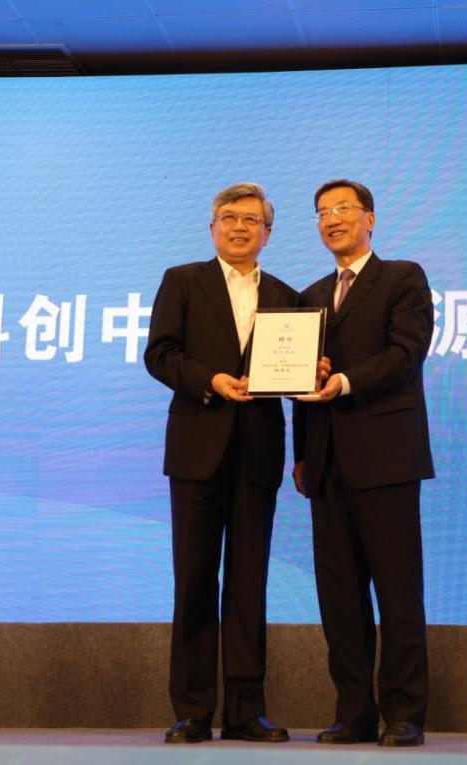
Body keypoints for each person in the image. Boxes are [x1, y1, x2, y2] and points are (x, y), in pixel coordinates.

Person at [144, 182, 296, 744]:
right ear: (212, 227)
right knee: (194, 581)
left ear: (267, 233)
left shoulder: (287, 296)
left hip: (258, 454)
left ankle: (246, 712)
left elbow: (292, 371)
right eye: (229, 217)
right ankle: (192, 711)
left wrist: (311, 370)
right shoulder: (183, 281)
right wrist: (209, 379)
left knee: (249, 585)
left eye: (251, 220)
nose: (239, 227)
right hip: (197, 450)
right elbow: (159, 354)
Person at [292, 179, 435, 747]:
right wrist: (301, 455)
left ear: (369, 218)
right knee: (340, 598)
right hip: (326, 465)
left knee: (397, 592)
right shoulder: (308, 296)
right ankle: (353, 712)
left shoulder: (403, 278)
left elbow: (406, 353)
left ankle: (404, 713)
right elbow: (300, 382)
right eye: (322, 212)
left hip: (387, 459)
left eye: (343, 208)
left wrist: (346, 381)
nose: (332, 219)